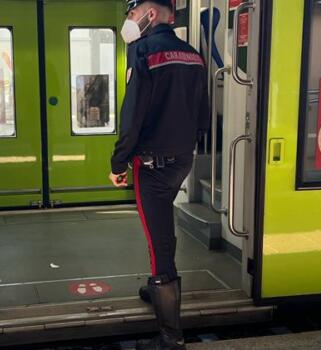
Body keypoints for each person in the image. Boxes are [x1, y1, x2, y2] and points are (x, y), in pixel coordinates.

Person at [108, 0, 210, 348]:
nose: (129, 21)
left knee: (158, 241)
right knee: (162, 227)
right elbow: (203, 113)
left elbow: (132, 114)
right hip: (182, 159)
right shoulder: (193, 55)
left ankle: (170, 336)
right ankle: (158, 287)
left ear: (151, 16)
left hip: (150, 165)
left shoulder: (144, 52)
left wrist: (118, 162)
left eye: (132, 14)